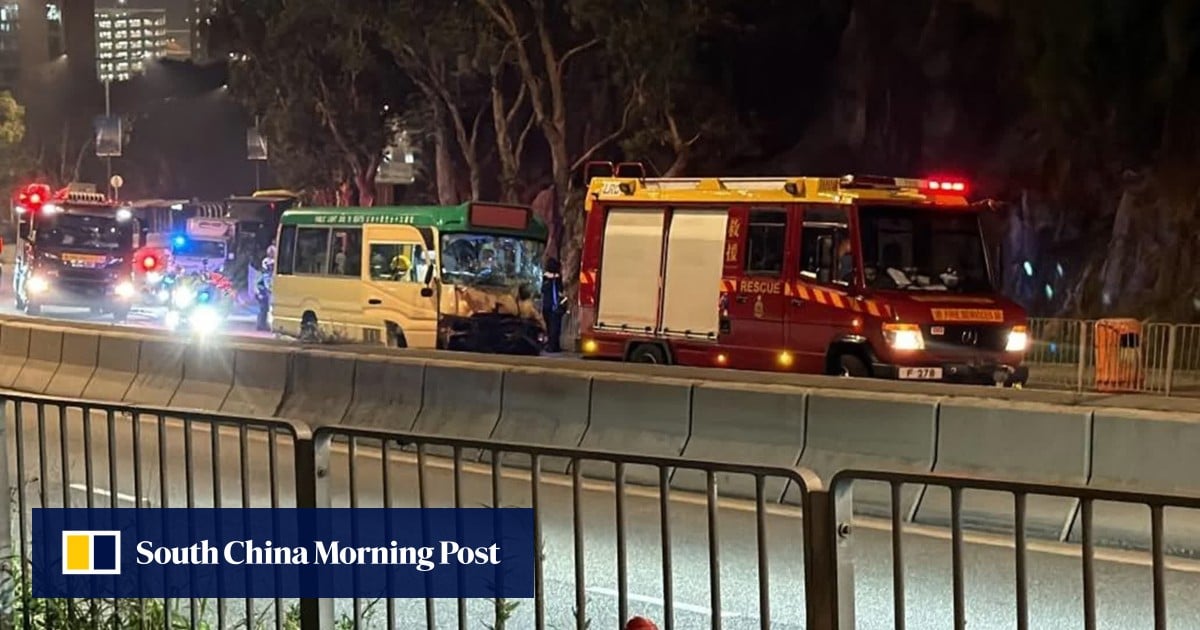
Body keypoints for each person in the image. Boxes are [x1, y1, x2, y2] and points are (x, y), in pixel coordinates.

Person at [541, 257, 565, 353]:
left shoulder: (545, 278)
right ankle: (554, 346)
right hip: (555, 307)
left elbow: (543, 291)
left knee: (549, 327)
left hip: (546, 306)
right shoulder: (557, 279)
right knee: (555, 327)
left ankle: (551, 345)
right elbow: (560, 292)